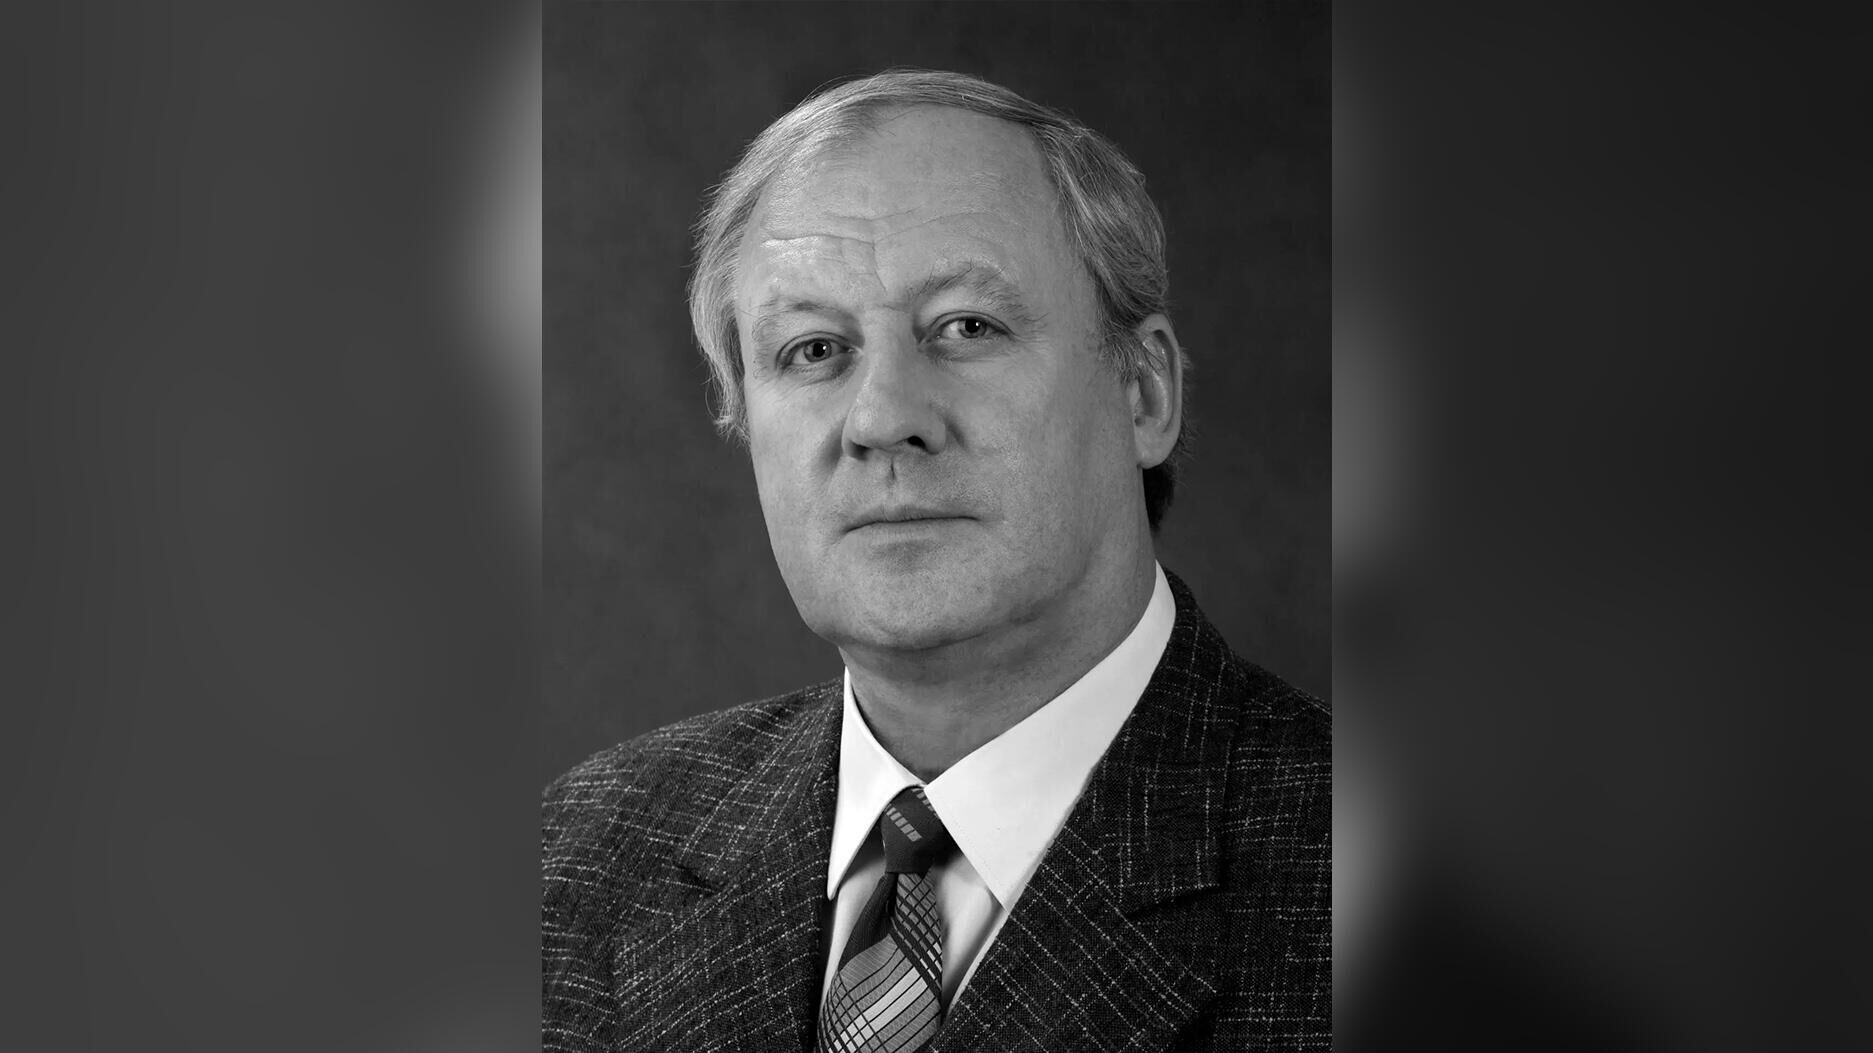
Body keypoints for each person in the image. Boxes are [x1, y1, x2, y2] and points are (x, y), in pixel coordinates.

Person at [543, 69, 1329, 1052]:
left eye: (965, 328)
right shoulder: (578, 859)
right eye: (813, 350)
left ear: (1143, 394)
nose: (882, 418)